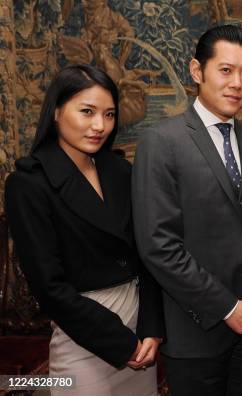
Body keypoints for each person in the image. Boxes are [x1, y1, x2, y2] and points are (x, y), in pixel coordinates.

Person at [132, 25, 242, 396]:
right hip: (196, 333)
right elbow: (159, 246)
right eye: (225, 70)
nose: (237, 83)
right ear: (196, 71)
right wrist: (226, 307)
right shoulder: (162, 143)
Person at [4, 65, 164, 395]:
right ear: (56, 112)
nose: (100, 126)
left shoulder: (120, 170)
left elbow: (147, 255)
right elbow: (49, 288)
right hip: (87, 336)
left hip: (140, 333)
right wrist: (123, 344)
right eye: (87, 111)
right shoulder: (28, 183)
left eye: (109, 114)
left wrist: (152, 329)